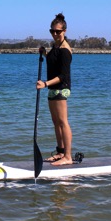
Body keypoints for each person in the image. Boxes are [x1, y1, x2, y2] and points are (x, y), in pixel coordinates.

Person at [36, 13, 73, 166]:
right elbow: (52, 60)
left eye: (58, 31)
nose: (55, 34)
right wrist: (44, 53)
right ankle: (60, 152)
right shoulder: (55, 47)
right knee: (55, 122)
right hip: (52, 87)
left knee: (63, 122)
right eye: (53, 31)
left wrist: (45, 84)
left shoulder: (65, 50)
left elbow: (63, 76)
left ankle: (68, 157)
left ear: (64, 31)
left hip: (61, 88)